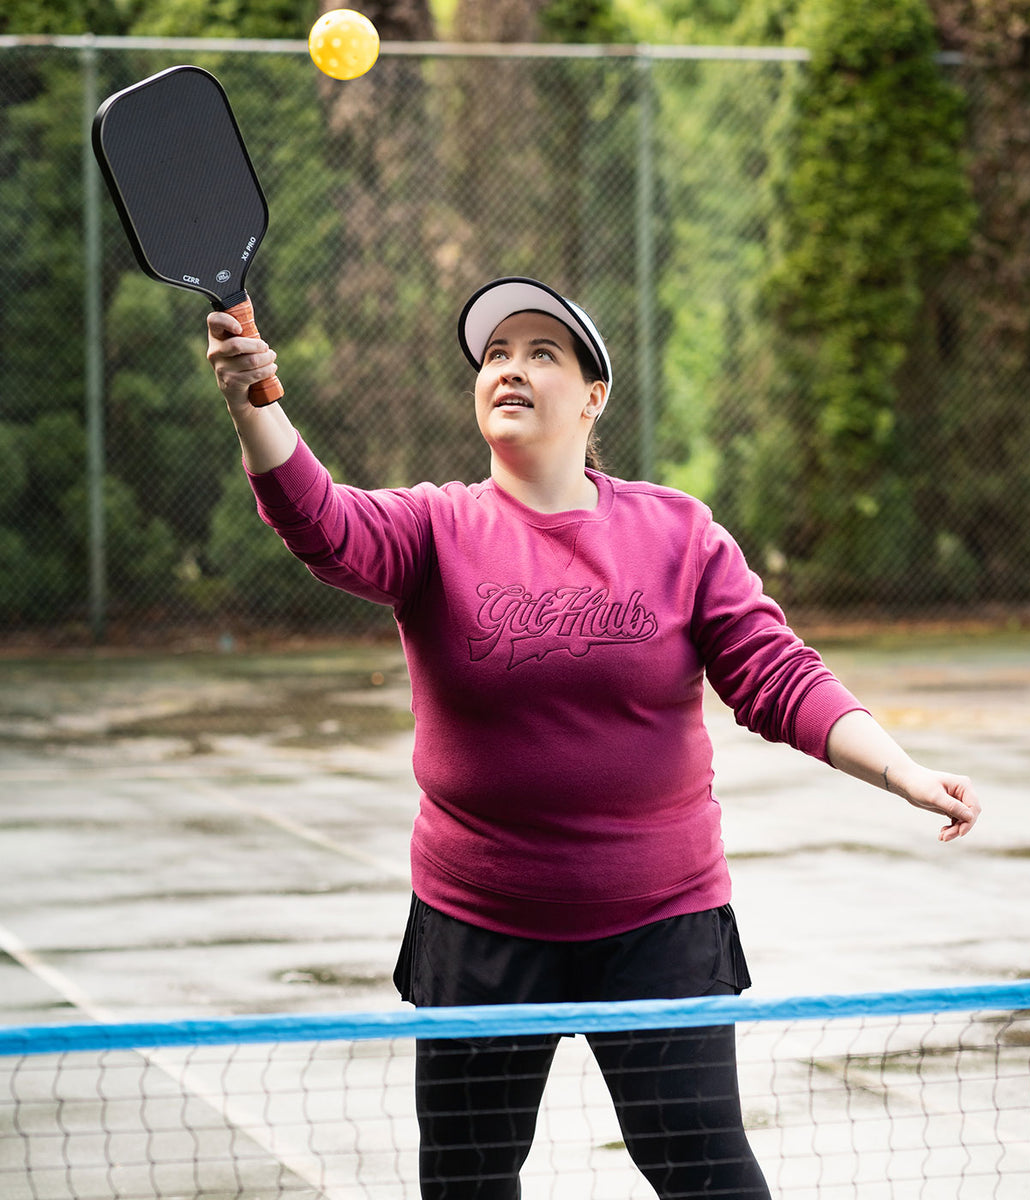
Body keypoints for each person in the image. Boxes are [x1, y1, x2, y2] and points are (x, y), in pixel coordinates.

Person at [206, 277, 980, 1199]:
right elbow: (321, 522)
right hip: (478, 927)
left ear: (593, 396)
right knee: (467, 1183)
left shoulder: (679, 534)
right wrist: (253, 402)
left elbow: (778, 675)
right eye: (496, 354)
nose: (511, 368)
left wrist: (900, 771)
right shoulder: (433, 528)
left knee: (708, 1178)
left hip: (662, 925)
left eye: (543, 353)